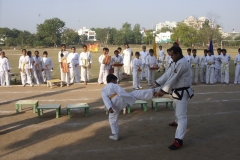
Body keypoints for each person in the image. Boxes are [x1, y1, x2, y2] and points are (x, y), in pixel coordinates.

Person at [154, 46, 194, 150]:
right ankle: (176, 121)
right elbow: (168, 74)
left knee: (182, 116)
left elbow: (173, 78)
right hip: (177, 91)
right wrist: (157, 82)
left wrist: (163, 91)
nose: (171, 57)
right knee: (176, 109)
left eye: (172, 55)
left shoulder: (182, 63)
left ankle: (178, 140)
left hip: (182, 91)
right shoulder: (176, 62)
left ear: (178, 54)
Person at [102, 74, 158, 141]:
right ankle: (152, 92)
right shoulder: (114, 85)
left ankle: (115, 135)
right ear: (112, 80)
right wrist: (129, 99)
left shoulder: (103, 89)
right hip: (122, 100)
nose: (116, 82)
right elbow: (121, 92)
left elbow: (105, 99)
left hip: (114, 104)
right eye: (116, 81)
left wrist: (109, 108)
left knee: (112, 119)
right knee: (136, 93)